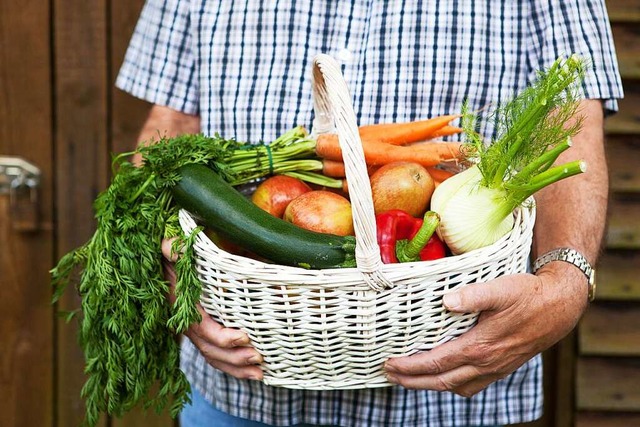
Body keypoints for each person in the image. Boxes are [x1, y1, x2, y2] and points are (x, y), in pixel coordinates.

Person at [116, 1, 623, 426]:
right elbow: (170, 126)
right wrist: (173, 278)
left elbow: (569, 124)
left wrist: (565, 282)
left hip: (454, 396)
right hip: (240, 383)